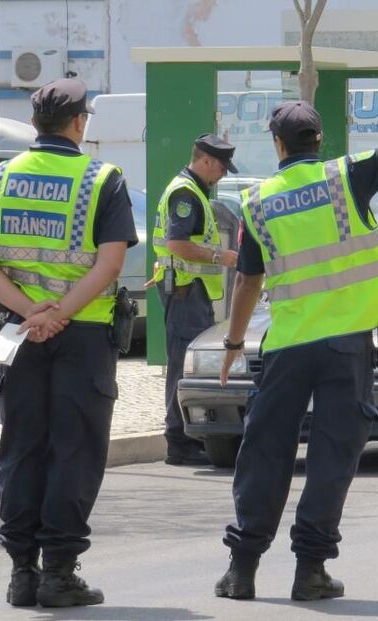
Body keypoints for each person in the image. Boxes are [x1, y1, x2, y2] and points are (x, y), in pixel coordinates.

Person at [213, 20, 378, 602]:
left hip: (286, 346)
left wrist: (234, 346)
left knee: (266, 452)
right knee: (334, 456)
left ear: (279, 145)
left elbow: (247, 283)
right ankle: (309, 570)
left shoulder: (258, 200)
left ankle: (242, 570)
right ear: (320, 140)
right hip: (348, 347)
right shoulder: (347, 177)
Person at [0, 78, 137, 608]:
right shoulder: (102, 179)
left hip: (19, 335)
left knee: (21, 449)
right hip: (81, 336)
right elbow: (110, 264)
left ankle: (22, 573)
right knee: (75, 450)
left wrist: (30, 312)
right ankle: (60, 573)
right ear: (80, 122)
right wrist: (60, 312)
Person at [151, 134, 239, 466]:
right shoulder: (186, 193)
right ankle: (179, 441)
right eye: (220, 167)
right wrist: (219, 256)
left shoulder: (190, 189)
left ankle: (187, 436)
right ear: (204, 161)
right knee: (183, 365)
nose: (223, 175)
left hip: (188, 289)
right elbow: (176, 243)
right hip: (187, 291)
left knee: (186, 362)